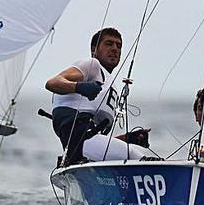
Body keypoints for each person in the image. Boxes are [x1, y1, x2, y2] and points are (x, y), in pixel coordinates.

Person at [45, 27, 150, 166]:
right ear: (94, 49)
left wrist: (128, 138)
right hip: (78, 143)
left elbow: (97, 143)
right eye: (109, 43)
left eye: (119, 46)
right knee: (135, 156)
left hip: (81, 150)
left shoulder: (109, 83)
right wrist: (80, 87)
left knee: (131, 152)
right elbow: (52, 83)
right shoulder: (92, 65)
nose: (115, 49)